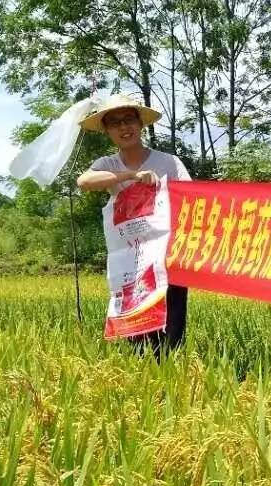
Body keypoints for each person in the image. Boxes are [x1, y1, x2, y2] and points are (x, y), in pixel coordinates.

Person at [77, 94, 193, 356]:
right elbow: (84, 182)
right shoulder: (108, 165)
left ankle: (171, 370)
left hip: (166, 254)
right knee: (137, 321)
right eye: (115, 123)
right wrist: (132, 176)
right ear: (107, 131)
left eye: (129, 119)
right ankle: (144, 374)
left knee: (171, 320)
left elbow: (190, 198)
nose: (123, 127)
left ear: (140, 124)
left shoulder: (169, 162)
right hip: (131, 257)